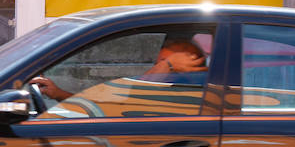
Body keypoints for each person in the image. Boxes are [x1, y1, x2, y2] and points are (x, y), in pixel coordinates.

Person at [30, 37, 208, 102]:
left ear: (190, 66)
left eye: (166, 63)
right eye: (158, 62)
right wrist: (58, 92)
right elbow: (105, 105)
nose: (158, 68)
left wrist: (167, 66)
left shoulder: (191, 97)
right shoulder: (160, 92)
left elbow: (134, 94)